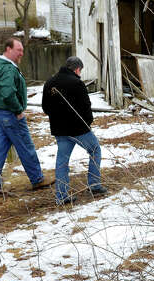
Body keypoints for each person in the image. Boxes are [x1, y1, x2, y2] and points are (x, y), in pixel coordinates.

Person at [0, 38, 51, 194]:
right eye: (18, 50)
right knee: (25, 146)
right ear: (8, 49)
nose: (21, 53)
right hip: (10, 115)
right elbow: (8, 93)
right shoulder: (7, 69)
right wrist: (18, 110)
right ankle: (37, 179)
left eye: (22, 50)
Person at [42, 56, 107, 205]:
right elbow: (86, 106)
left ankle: (61, 195)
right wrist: (88, 122)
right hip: (79, 129)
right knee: (95, 149)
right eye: (80, 71)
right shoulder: (77, 83)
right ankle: (94, 185)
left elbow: (46, 108)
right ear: (77, 69)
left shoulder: (49, 83)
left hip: (59, 130)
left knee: (62, 161)